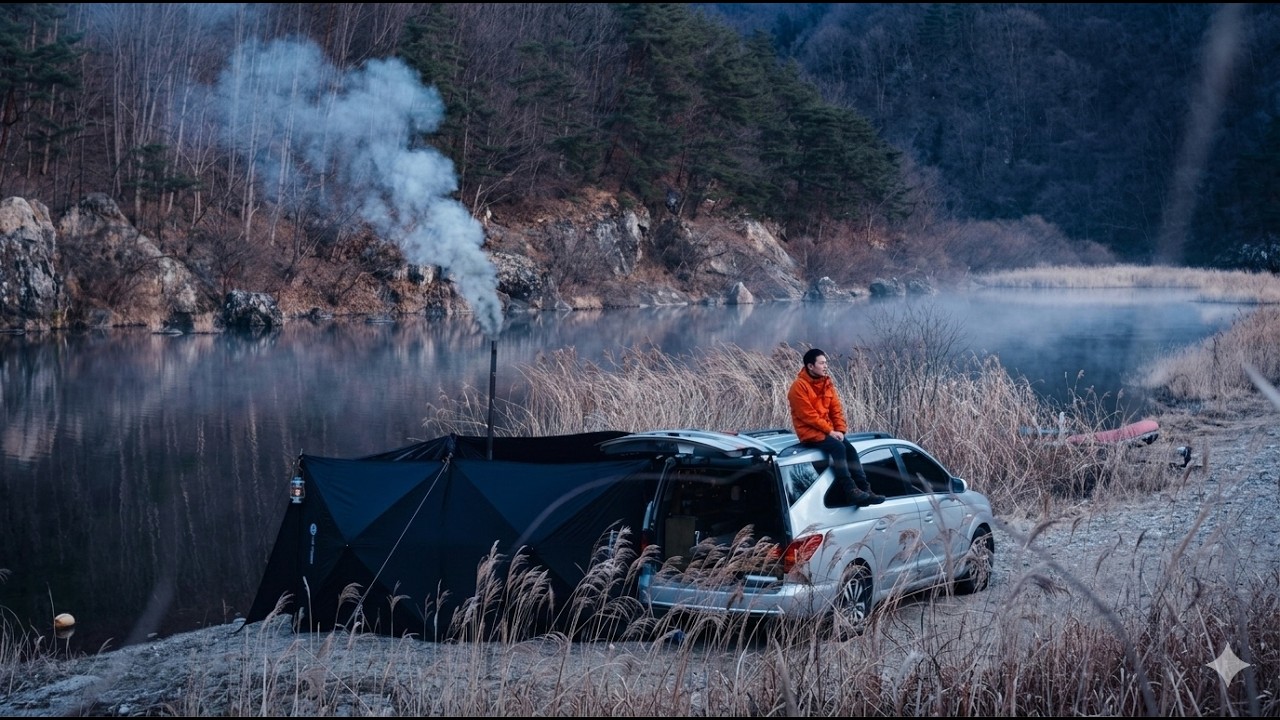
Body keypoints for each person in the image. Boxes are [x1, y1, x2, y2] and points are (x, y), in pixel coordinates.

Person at [787, 348, 885, 507]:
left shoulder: (827, 383)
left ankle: (865, 489)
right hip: (810, 432)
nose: (825, 366)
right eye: (822, 363)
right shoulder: (798, 387)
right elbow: (808, 416)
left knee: (850, 449)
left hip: (828, 431)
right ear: (810, 366)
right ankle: (850, 490)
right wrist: (830, 431)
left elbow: (836, 409)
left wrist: (839, 430)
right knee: (838, 448)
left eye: (826, 363)